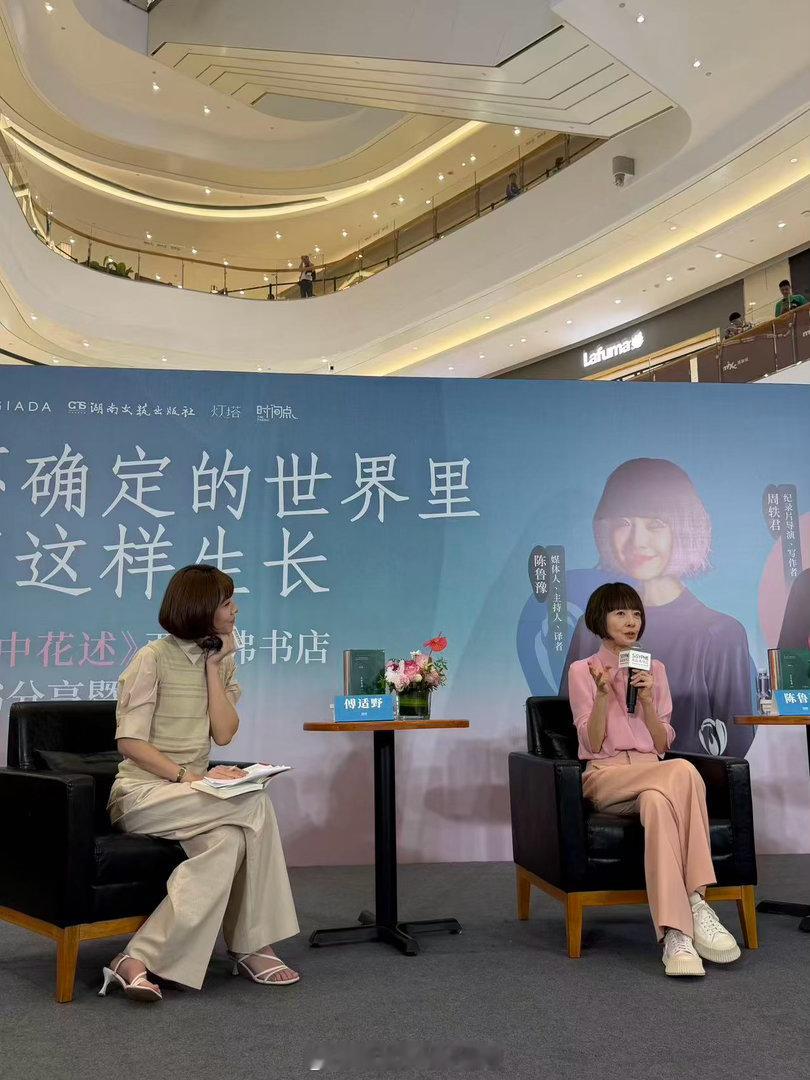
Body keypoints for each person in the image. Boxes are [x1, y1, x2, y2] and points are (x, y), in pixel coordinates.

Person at [100, 564, 300, 1002]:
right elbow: (130, 743)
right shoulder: (152, 658)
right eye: (227, 603)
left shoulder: (220, 659)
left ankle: (133, 958)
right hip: (142, 795)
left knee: (227, 843)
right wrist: (191, 777)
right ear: (202, 608)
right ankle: (252, 946)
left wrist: (214, 665)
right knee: (254, 802)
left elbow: (224, 734)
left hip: (190, 795)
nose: (235, 611)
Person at [568, 582, 741, 976]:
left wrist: (646, 701)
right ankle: (697, 900)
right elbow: (591, 742)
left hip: (653, 775)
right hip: (607, 776)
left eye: (636, 613)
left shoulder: (654, 669)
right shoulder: (583, 671)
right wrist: (602, 696)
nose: (631, 621)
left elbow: (662, 744)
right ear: (599, 619)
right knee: (683, 770)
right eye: (620, 613)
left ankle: (676, 935)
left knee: (660, 803)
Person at [562, 458, 755, 758]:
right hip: (609, 772)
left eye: (655, 524)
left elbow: (736, 740)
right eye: (624, 523)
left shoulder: (721, 634)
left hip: (690, 776)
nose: (638, 541)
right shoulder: (591, 629)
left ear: (685, 529)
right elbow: (567, 721)